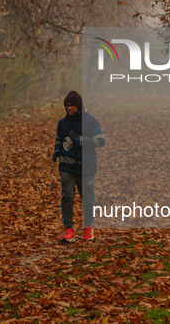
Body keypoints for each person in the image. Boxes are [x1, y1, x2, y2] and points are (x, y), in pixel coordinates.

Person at [52, 91, 105, 243]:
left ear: (79, 106)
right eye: (67, 106)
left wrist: (83, 141)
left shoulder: (90, 122)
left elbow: (101, 140)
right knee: (67, 197)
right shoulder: (62, 123)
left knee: (87, 199)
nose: (69, 108)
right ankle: (69, 230)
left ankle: (88, 228)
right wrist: (56, 151)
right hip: (66, 166)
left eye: (73, 106)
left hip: (86, 168)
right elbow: (59, 139)